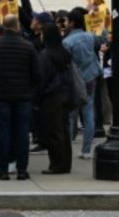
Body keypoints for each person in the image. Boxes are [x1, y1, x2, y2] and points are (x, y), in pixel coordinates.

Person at [0, 14, 41, 181]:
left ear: (3, 26)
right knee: (22, 132)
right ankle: (22, 170)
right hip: (23, 95)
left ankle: (3, 169)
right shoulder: (28, 47)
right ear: (17, 26)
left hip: (1, 95)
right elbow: (37, 73)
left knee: (3, 132)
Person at [34, 20, 75, 175]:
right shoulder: (63, 53)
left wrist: (36, 99)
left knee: (53, 131)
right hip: (65, 94)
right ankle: (65, 163)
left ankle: (56, 164)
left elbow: (42, 78)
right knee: (63, 130)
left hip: (51, 97)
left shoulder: (45, 55)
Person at [62, 9, 101, 160]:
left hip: (74, 80)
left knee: (71, 113)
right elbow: (104, 38)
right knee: (88, 112)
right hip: (90, 77)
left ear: (72, 22)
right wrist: (97, 16)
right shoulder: (90, 37)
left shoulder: (67, 42)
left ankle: (69, 144)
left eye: (67, 21)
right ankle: (86, 149)